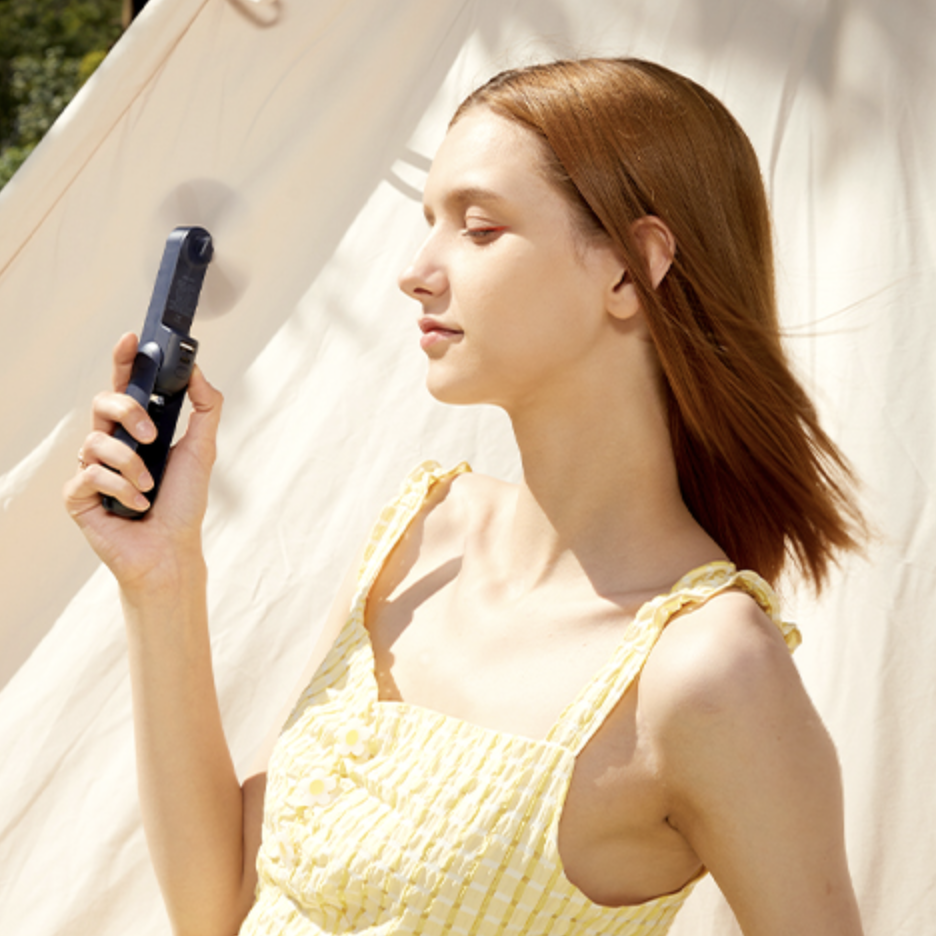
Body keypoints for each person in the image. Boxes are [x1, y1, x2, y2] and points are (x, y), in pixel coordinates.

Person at [64, 58, 866, 936]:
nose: (417, 272)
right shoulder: (421, 540)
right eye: (429, 223)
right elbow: (219, 904)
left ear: (634, 270)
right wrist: (161, 581)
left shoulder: (710, 671)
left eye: (480, 229)